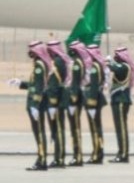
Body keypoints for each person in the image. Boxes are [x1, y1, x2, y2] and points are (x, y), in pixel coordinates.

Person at [9, 41, 52, 171]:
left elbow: (39, 87)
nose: (30, 52)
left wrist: (35, 105)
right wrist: (20, 83)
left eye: (32, 50)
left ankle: (42, 160)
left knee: (39, 132)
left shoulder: (39, 65)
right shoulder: (39, 64)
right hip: (37, 102)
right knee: (39, 132)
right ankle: (41, 159)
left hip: (37, 103)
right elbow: (34, 84)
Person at [44, 40, 70, 168]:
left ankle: (59, 158)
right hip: (59, 99)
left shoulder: (56, 62)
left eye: (49, 49)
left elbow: (54, 83)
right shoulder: (60, 60)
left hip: (57, 101)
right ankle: (59, 157)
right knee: (58, 130)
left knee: (58, 130)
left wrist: (52, 103)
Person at [108, 46, 134, 163]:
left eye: (117, 55)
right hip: (117, 100)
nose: (116, 57)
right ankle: (121, 152)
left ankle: (123, 154)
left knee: (122, 129)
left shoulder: (124, 67)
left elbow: (115, 69)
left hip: (121, 101)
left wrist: (109, 62)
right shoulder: (122, 66)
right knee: (119, 128)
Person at [83, 43, 108, 164]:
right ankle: (98, 153)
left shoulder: (95, 67)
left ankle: (97, 154)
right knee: (97, 128)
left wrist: (91, 103)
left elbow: (93, 86)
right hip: (97, 99)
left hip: (94, 101)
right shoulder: (99, 66)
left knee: (95, 129)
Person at [65, 41, 89, 166]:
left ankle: (77, 156)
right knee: (75, 127)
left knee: (75, 127)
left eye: (71, 49)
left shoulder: (77, 64)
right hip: (77, 96)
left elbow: (75, 82)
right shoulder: (79, 62)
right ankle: (77, 155)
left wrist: (72, 99)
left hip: (74, 98)